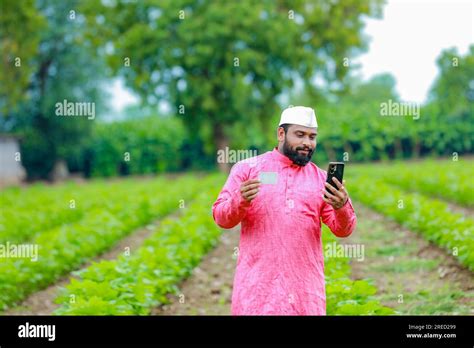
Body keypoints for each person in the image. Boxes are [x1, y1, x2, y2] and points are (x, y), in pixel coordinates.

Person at [212, 106, 357, 315]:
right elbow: (221, 218)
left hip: (305, 294)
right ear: (281, 134)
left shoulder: (320, 179)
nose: (307, 143)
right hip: (257, 293)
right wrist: (240, 200)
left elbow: (343, 230)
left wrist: (341, 206)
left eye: (312, 136)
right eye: (300, 135)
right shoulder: (249, 170)